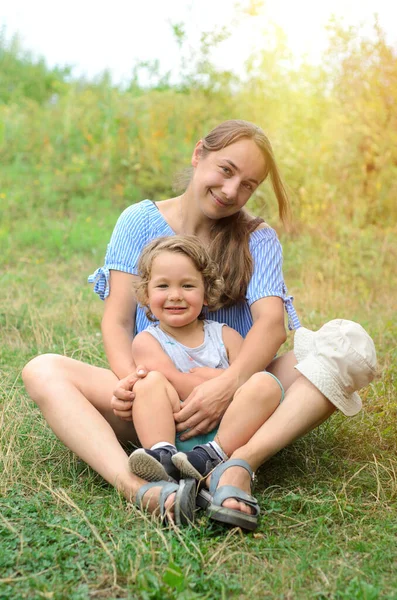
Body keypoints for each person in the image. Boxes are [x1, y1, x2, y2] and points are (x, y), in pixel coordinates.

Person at [21, 119, 375, 529]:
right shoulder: (138, 221)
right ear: (198, 154)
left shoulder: (256, 238)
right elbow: (117, 321)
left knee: (343, 346)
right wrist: (129, 382)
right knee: (42, 369)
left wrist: (228, 385)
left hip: (240, 396)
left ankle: (238, 464)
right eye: (226, 170)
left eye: (248, 184)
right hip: (158, 398)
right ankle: (144, 487)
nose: (232, 191)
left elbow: (271, 325)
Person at [126, 236, 283, 517]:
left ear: (206, 291)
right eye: (163, 286)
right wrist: (220, 379)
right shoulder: (147, 341)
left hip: (231, 433)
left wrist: (226, 380)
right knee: (149, 382)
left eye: (187, 285)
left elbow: (247, 380)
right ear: (146, 294)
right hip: (180, 429)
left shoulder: (225, 335)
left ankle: (211, 457)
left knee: (267, 383)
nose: (175, 295)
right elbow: (175, 382)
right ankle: (163, 456)